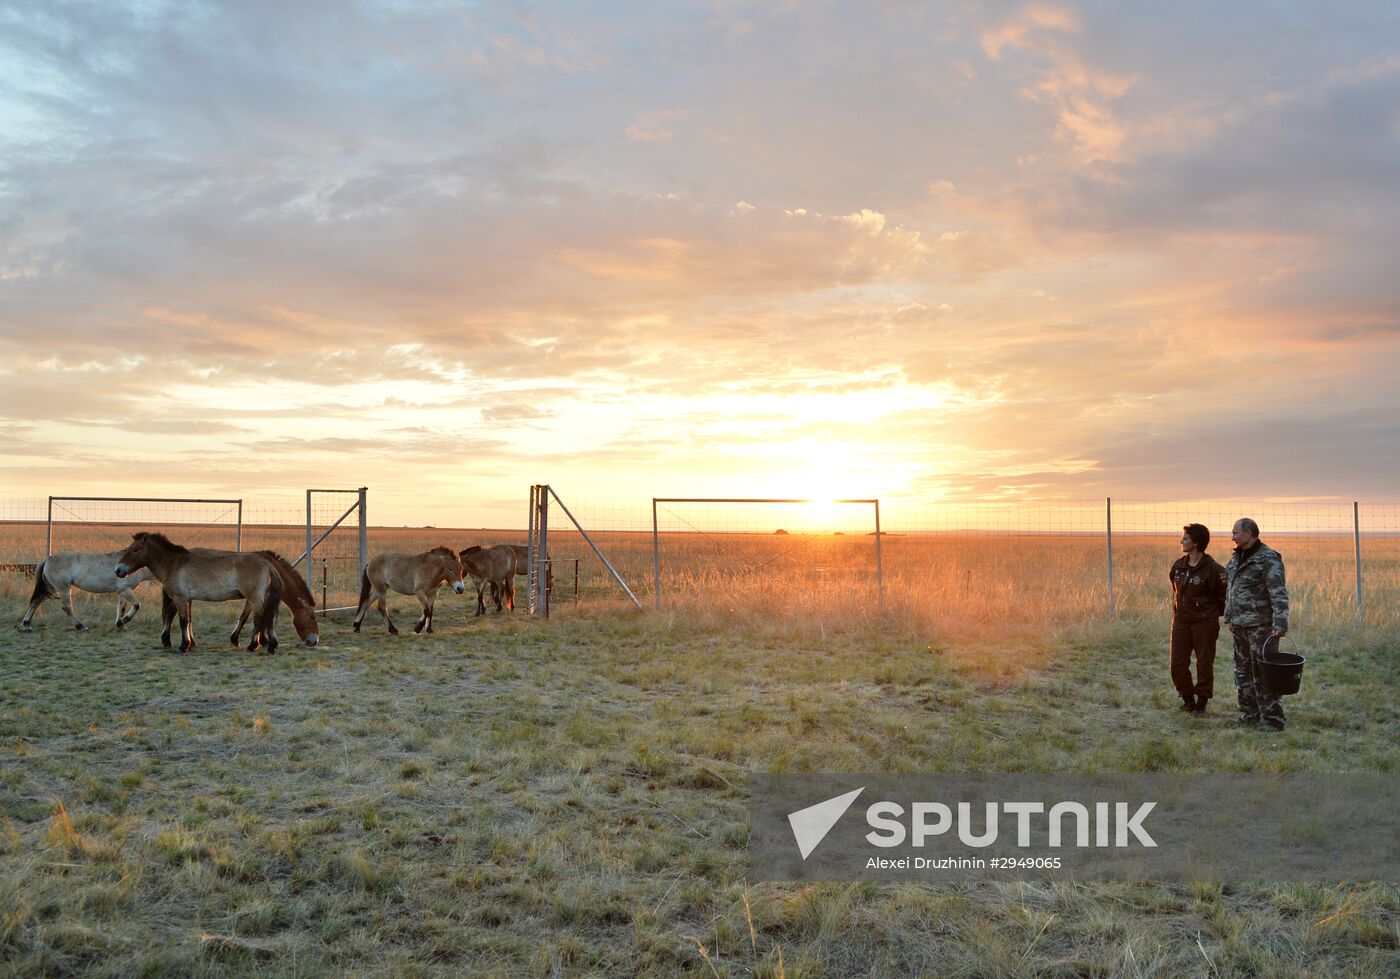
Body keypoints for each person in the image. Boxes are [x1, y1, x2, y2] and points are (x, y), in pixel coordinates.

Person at [1224, 517, 1290, 731]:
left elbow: (1278, 592)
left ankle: (1272, 719)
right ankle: (1249, 714)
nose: (1232, 536)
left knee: (1263, 671)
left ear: (1249, 533)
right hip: (1239, 625)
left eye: (1235, 532)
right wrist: (1229, 617)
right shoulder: (1235, 559)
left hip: (1261, 625)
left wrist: (1280, 623)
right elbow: (1230, 592)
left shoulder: (1268, 559)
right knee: (1242, 671)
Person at [1169, 523, 1227, 715]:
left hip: (1205, 622)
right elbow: (1176, 589)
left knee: (1204, 663)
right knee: (1177, 664)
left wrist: (1208, 614)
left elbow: (1222, 598)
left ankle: (1201, 703)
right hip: (1181, 621)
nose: (1181, 541)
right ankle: (1187, 699)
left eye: (1185, 538)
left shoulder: (1214, 570)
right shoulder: (1178, 566)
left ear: (1196, 543)